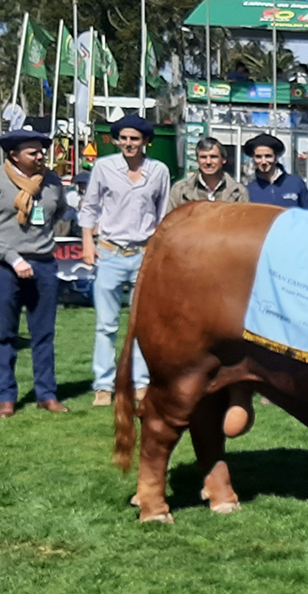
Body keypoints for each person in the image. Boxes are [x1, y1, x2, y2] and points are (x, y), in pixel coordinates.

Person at [0, 130, 69, 418]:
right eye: (33, 152)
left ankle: (46, 394)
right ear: (14, 155)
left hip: (44, 265)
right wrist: (13, 258)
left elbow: (59, 212)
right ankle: (7, 397)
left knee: (44, 334)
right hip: (3, 268)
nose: (40, 156)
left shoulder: (51, 182)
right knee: (4, 333)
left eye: (41, 151)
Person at [79, 114, 171, 407]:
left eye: (135, 138)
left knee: (142, 324)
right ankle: (104, 386)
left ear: (146, 141)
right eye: (124, 138)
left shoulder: (158, 171)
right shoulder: (104, 167)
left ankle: (141, 383)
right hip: (109, 252)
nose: (129, 144)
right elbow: (89, 208)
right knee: (106, 325)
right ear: (116, 140)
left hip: (144, 253)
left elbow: (162, 215)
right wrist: (87, 245)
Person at [169, 137, 249, 210]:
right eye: (203, 157)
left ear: (223, 160)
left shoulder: (239, 192)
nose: (208, 162)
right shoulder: (180, 190)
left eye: (213, 157)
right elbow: (170, 223)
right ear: (197, 160)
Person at [244, 134, 308, 209]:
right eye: (258, 157)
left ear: (276, 157)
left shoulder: (296, 183)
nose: (263, 161)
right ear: (253, 158)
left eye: (268, 156)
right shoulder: (248, 190)